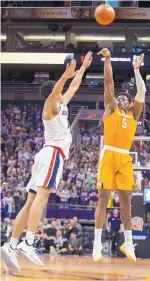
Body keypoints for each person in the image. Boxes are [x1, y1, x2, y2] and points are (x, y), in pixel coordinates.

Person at [1, 52, 93, 274]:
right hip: (52, 155)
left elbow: (73, 88)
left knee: (30, 201)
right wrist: (65, 75)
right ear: (54, 92)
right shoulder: (50, 106)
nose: (63, 92)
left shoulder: (61, 105)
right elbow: (57, 91)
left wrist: (82, 69)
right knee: (40, 200)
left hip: (46, 156)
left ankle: (12, 245)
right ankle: (28, 242)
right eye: (59, 90)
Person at [92, 48, 146, 262]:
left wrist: (137, 70)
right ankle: (97, 243)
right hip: (109, 154)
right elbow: (108, 83)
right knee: (103, 200)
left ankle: (128, 242)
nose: (121, 99)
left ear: (129, 103)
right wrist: (107, 60)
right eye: (119, 98)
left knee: (126, 204)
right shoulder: (111, 108)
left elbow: (142, 92)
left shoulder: (134, 112)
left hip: (125, 158)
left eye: (125, 99)